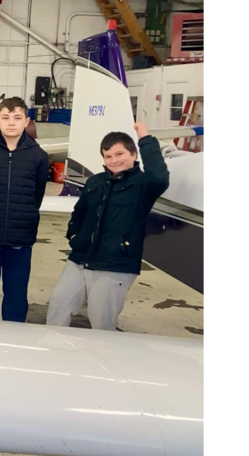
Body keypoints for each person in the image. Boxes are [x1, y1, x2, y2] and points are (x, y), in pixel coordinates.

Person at [46, 124, 169, 331]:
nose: (114, 160)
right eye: (108, 156)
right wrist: (75, 236)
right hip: (80, 260)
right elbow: (79, 212)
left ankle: (102, 358)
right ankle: (55, 354)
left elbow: (159, 176)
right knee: (58, 307)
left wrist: (146, 139)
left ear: (133, 154)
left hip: (114, 265)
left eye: (120, 153)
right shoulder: (95, 182)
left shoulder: (144, 185)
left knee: (102, 322)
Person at [0, 97, 50, 323]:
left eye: (17, 118)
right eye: (5, 117)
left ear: (27, 121)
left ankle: (14, 340)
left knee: (16, 294)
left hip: (20, 239)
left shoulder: (38, 156)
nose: (11, 123)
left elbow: (37, 195)